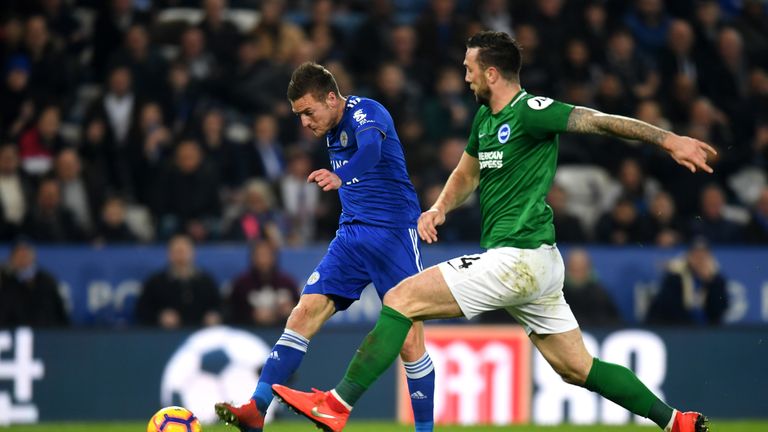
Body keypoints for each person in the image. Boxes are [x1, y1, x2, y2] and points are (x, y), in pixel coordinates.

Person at [272, 31, 714, 432]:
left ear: (492, 72)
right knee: (577, 368)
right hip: (536, 265)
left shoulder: (532, 112)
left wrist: (668, 140)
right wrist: (440, 208)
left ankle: (338, 403)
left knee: (401, 299)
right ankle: (675, 421)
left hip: (517, 258)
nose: (465, 78)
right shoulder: (486, 121)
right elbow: (466, 173)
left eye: (469, 69)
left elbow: (598, 120)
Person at [214, 63, 435, 432]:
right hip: (350, 237)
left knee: (410, 341)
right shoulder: (329, 127)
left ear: (332, 98)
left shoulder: (368, 112)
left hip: (393, 235)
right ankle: (256, 410)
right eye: (298, 115)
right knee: (302, 315)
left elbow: (370, 152)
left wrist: (341, 174)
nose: (304, 123)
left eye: (308, 112)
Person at [134, 234, 222, 328]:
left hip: (201, 336)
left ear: (193, 253)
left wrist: (215, 315)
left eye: (184, 251)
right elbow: (142, 310)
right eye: (177, 251)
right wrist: (159, 317)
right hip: (165, 337)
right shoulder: (156, 282)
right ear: (169, 254)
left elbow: (220, 306)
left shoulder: (206, 281)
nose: (181, 256)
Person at [646, 239, 729, 325]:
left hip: (706, 329)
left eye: (703, 256)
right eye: (696, 255)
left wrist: (710, 283)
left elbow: (719, 309)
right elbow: (669, 307)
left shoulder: (716, 279)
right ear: (689, 256)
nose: (699, 260)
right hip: (678, 327)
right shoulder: (675, 275)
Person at [227, 240, 299, 326]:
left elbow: (301, 310)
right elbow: (232, 314)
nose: (263, 260)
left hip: (282, 333)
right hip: (251, 333)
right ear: (252, 258)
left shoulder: (287, 282)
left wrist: (290, 312)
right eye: (259, 255)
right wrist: (251, 315)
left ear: (274, 257)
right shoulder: (242, 284)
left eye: (267, 255)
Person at [0, 241, 68, 327]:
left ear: (33, 256)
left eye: (25, 255)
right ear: (12, 259)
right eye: (19, 256)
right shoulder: (7, 283)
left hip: (47, 332)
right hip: (17, 332)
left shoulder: (46, 281)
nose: (22, 260)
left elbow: (59, 311)